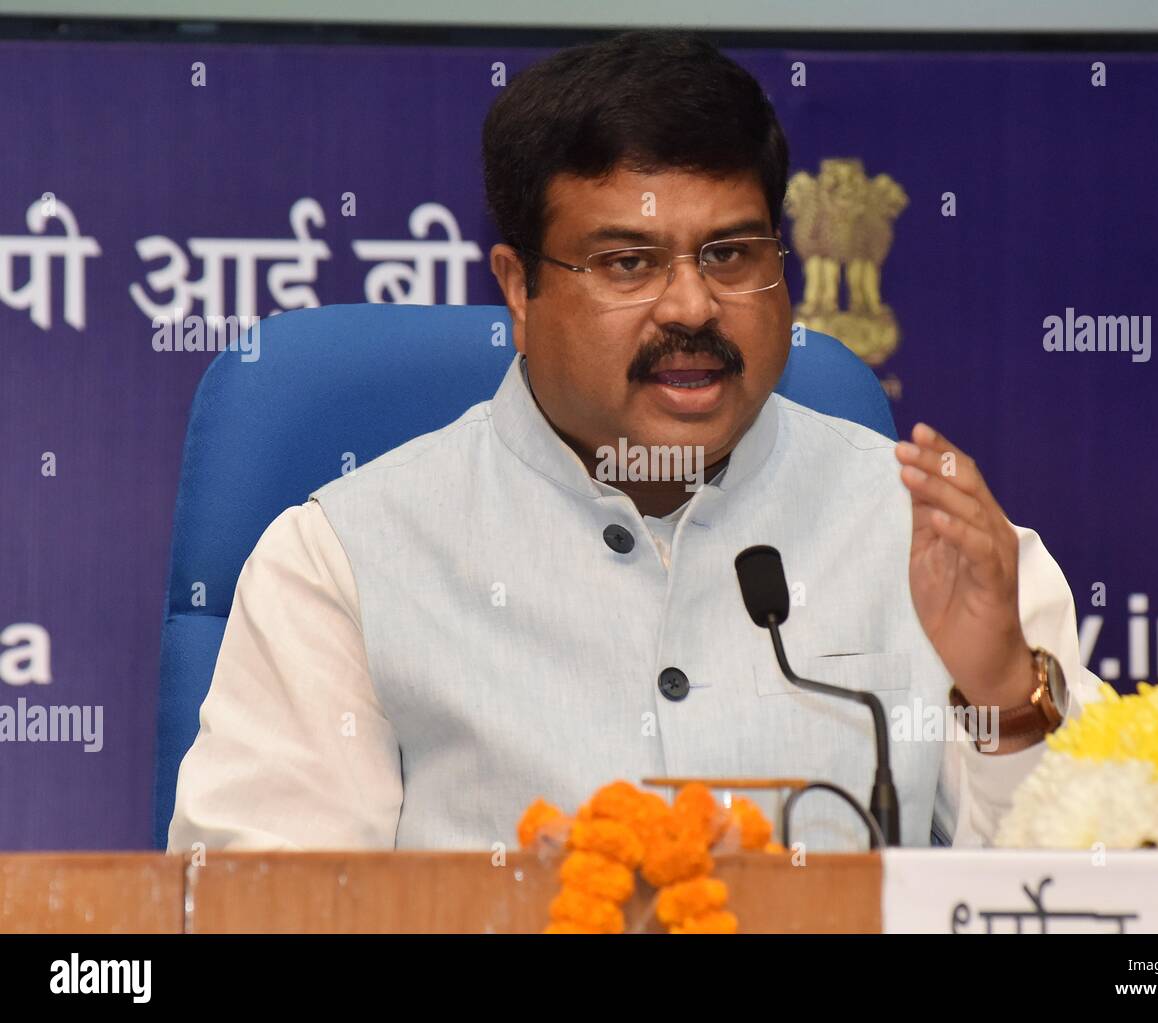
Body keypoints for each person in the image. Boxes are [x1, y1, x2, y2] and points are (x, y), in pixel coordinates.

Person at [169, 29, 1100, 854]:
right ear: (520, 290)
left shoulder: (928, 537)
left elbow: (1104, 900)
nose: (692, 306)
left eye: (732, 255)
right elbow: (259, 908)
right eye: (629, 263)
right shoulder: (342, 561)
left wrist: (1007, 695)